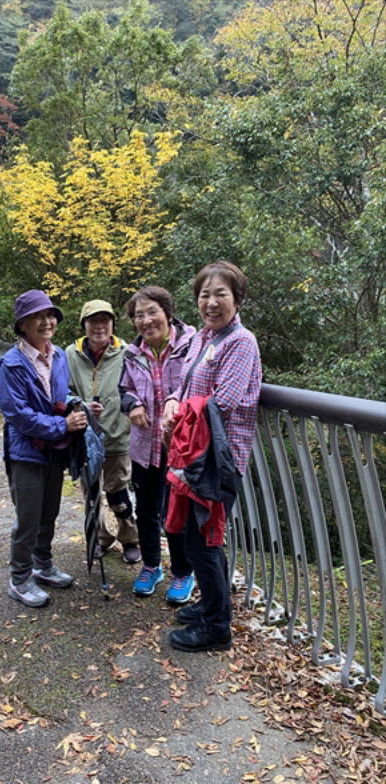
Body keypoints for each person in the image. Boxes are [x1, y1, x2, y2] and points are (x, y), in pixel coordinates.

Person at [162, 260, 262, 652]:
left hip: (218, 459)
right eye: (205, 294)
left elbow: (224, 403)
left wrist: (179, 416)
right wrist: (172, 401)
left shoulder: (241, 342)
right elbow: (185, 386)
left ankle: (217, 628)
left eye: (221, 294)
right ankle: (211, 607)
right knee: (196, 539)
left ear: (237, 299)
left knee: (203, 541)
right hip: (193, 456)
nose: (211, 302)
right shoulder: (203, 338)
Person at [0, 289, 88, 608]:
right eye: (37, 317)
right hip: (26, 452)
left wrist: (78, 405)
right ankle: (19, 579)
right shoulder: (10, 365)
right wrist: (63, 426)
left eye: (50, 316)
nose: (47, 322)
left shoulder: (57, 355)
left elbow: (58, 395)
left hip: (53, 450)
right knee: (28, 518)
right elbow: (18, 415)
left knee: (49, 512)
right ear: (22, 325)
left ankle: (42, 565)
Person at [119, 286, 197, 602]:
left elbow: (198, 385)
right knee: (146, 509)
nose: (146, 320)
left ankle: (183, 571)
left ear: (167, 312)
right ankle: (151, 566)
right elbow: (124, 389)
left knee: (176, 511)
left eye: (153, 312)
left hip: (180, 446)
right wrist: (132, 404)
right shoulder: (131, 353)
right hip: (144, 446)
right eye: (139, 315)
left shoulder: (191, 345)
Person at [66, 300, 141, 565]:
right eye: (93, 321)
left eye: (105, 320)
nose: (99, 326)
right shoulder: (71, 354)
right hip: (85, 437)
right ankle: (100, 538)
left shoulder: (127, 352)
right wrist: (80, 406)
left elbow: (137, 388)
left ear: (112, 323)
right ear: (84, 325)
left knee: (118, 492)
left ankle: (130, 539)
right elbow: (64, 390)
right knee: (91, 493)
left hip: (118, 436)